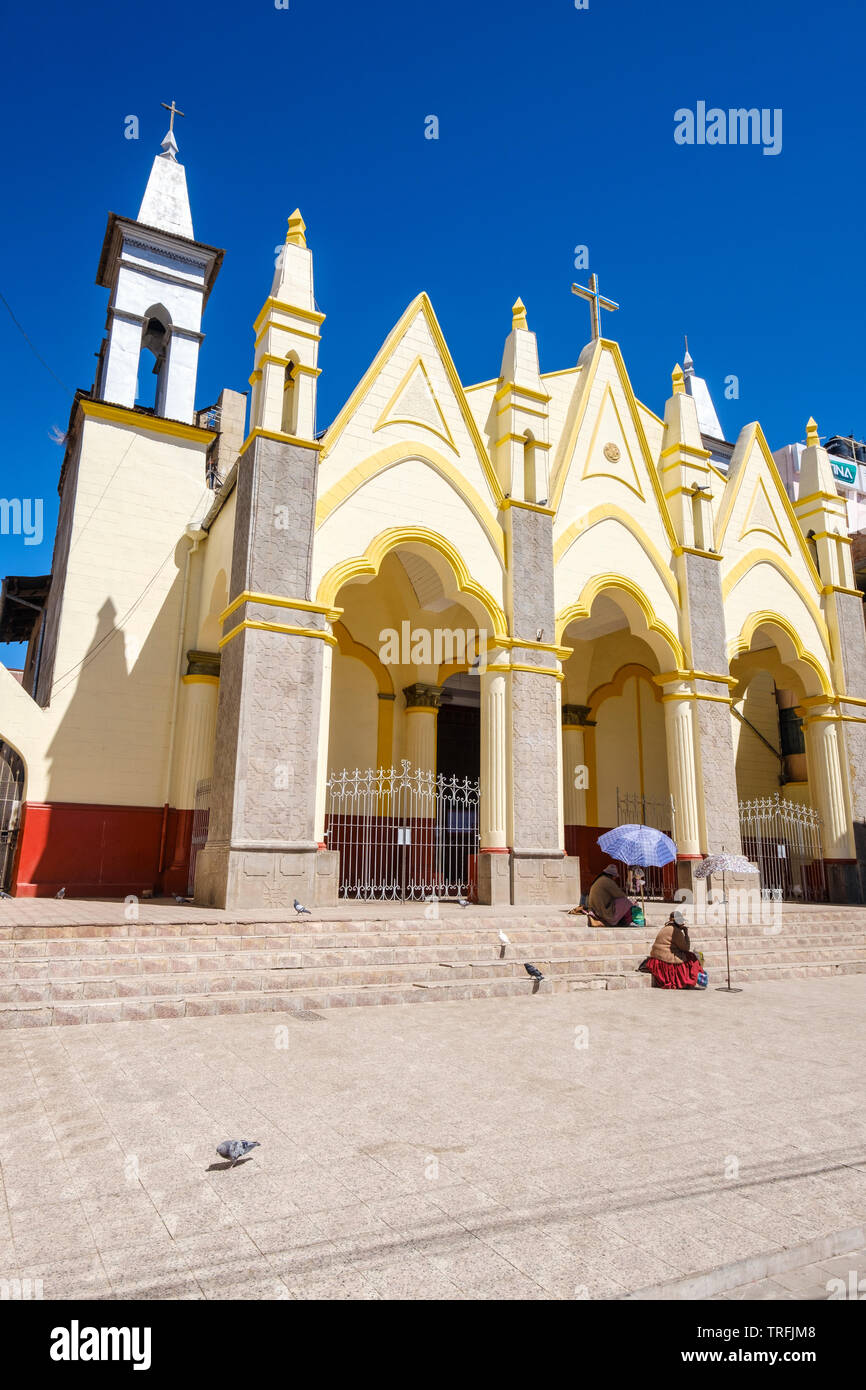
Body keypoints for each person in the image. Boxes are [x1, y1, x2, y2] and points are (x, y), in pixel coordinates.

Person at [644, 910, 703, 989]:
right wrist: (686, 934)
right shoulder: (676, 931)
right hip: (665, 959)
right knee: (691, 957)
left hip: (656, 957)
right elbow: (686, 948)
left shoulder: (665, 928)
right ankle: (694, 980)